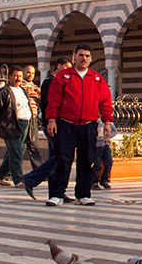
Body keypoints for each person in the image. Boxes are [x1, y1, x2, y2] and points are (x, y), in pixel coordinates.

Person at [46, 43, 114, 208]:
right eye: (81, 55)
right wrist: (52, 119)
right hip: (66, 124)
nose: (84, 58)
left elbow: (105, 101)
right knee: (63, 159)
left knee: (87, 160)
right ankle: (57, 194)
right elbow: (53, 100)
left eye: (87, 56)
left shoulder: (97, 78)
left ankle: (83, 194)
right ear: (74, 56)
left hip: (88, 125)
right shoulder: (63, 76)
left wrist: (107, 121)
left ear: (90, 59)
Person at [21, 57, 72, 200]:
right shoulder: (50, 82)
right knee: (61, 157)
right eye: (66, 67)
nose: (68, 71)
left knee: (56, 157)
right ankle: (31, 179)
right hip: (54, 125)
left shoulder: (57, 81)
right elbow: (48, 104)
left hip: (57, 124)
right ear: (59, 66)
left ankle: (56, 192)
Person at [0, 66, 32, 188]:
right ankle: (18, 179)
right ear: (10, 77)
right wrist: (5, 123)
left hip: (25, 123)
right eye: (15, 76)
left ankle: (1, 174)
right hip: (11, 125)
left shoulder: (22, 90)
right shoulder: (4, 91)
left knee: (16, 151)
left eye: (20, 76)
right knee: (16, 152)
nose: (18, 79)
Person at [92, 119, 116, 190]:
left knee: (109, 162)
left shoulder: (107, 122)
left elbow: (114, 131)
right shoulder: (94, 121)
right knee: (97, 163)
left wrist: (108, 137)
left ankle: (104, 180)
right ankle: (94, 181)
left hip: (105, 145)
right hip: (97, 146)